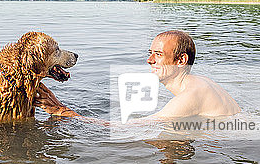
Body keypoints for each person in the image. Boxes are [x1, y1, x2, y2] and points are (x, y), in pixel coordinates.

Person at [34, 30, 240, 119]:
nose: (149, 61)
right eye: (150, 54)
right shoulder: (201, 83)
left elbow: (131, 131)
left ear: (181, 60)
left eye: (158, 55)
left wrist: (60, 110)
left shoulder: (191, 96)